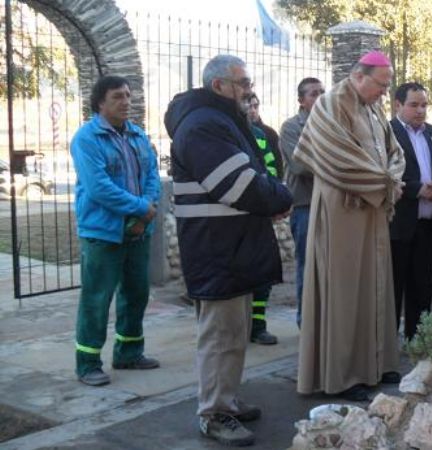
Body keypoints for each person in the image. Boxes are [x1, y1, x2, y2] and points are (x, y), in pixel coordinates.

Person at [165, 54, 292, 447]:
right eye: (242, 82)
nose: (249, 89)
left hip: (231, 247)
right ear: (218, 86)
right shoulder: (204, 125)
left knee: (233, 334)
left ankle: (226, 400)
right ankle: (214, 413)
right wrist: (279, 197)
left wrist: (270, 195)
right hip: (217, 250)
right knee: (220, 336)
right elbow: (240, 184)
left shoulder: (219, 121)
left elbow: (252, 177)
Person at [295, 50, 405, 402]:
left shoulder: (374, 110)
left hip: (371, 210)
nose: (385, 93)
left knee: (375, 286)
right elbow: (336, 158)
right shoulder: (330, 104)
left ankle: (375, 363)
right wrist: (384, 183)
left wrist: (390, 179)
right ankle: (342, 374)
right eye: (382, 85)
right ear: (360, 76)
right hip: (342, 211)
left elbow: (395, 154)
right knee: (343, 292)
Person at [70, 75, 161, 387]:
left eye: (127, 95)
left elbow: (152, 174)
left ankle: (129, 353)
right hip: (103, 232)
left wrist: (146, 211)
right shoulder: (87, 138)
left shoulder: (137, 135)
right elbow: (99, 188)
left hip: (139, 229)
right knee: (97, 298)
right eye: (117, 97)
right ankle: (88, 363)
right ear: (100, 103)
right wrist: (139, 209)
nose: (126, 102)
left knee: (136, 293)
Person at [389, 82, 432, 340]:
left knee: (423, 287)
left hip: (429, 227)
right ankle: (387, 350)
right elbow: (383, 173)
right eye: (413, 105)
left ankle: (417, 341)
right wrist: (416, 189)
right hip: (398, 226)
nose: (420, 111)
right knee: (394, 289)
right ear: (398, 105)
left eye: (424, 105)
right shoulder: (388, 133)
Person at [278, 77, 324, 328]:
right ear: (301, 100)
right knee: (308, 266)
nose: (319, 98)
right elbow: (300, 164)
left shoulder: (333, 125)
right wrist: (336, 165)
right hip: (306, 206)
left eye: (322, 93)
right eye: (313, 94)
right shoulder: (291, 128)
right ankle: (306, 323)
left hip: (332, 205)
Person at [243, 92, 282, 346]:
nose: (252, 109)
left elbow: (274, 172)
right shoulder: (226, 132)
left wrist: (275, 201)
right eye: (248, 103)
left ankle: (258, 325)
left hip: (261, 214)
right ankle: (240, 326)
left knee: (263, 272)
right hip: (236, 216)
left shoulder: (265, 135)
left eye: (256, 104)